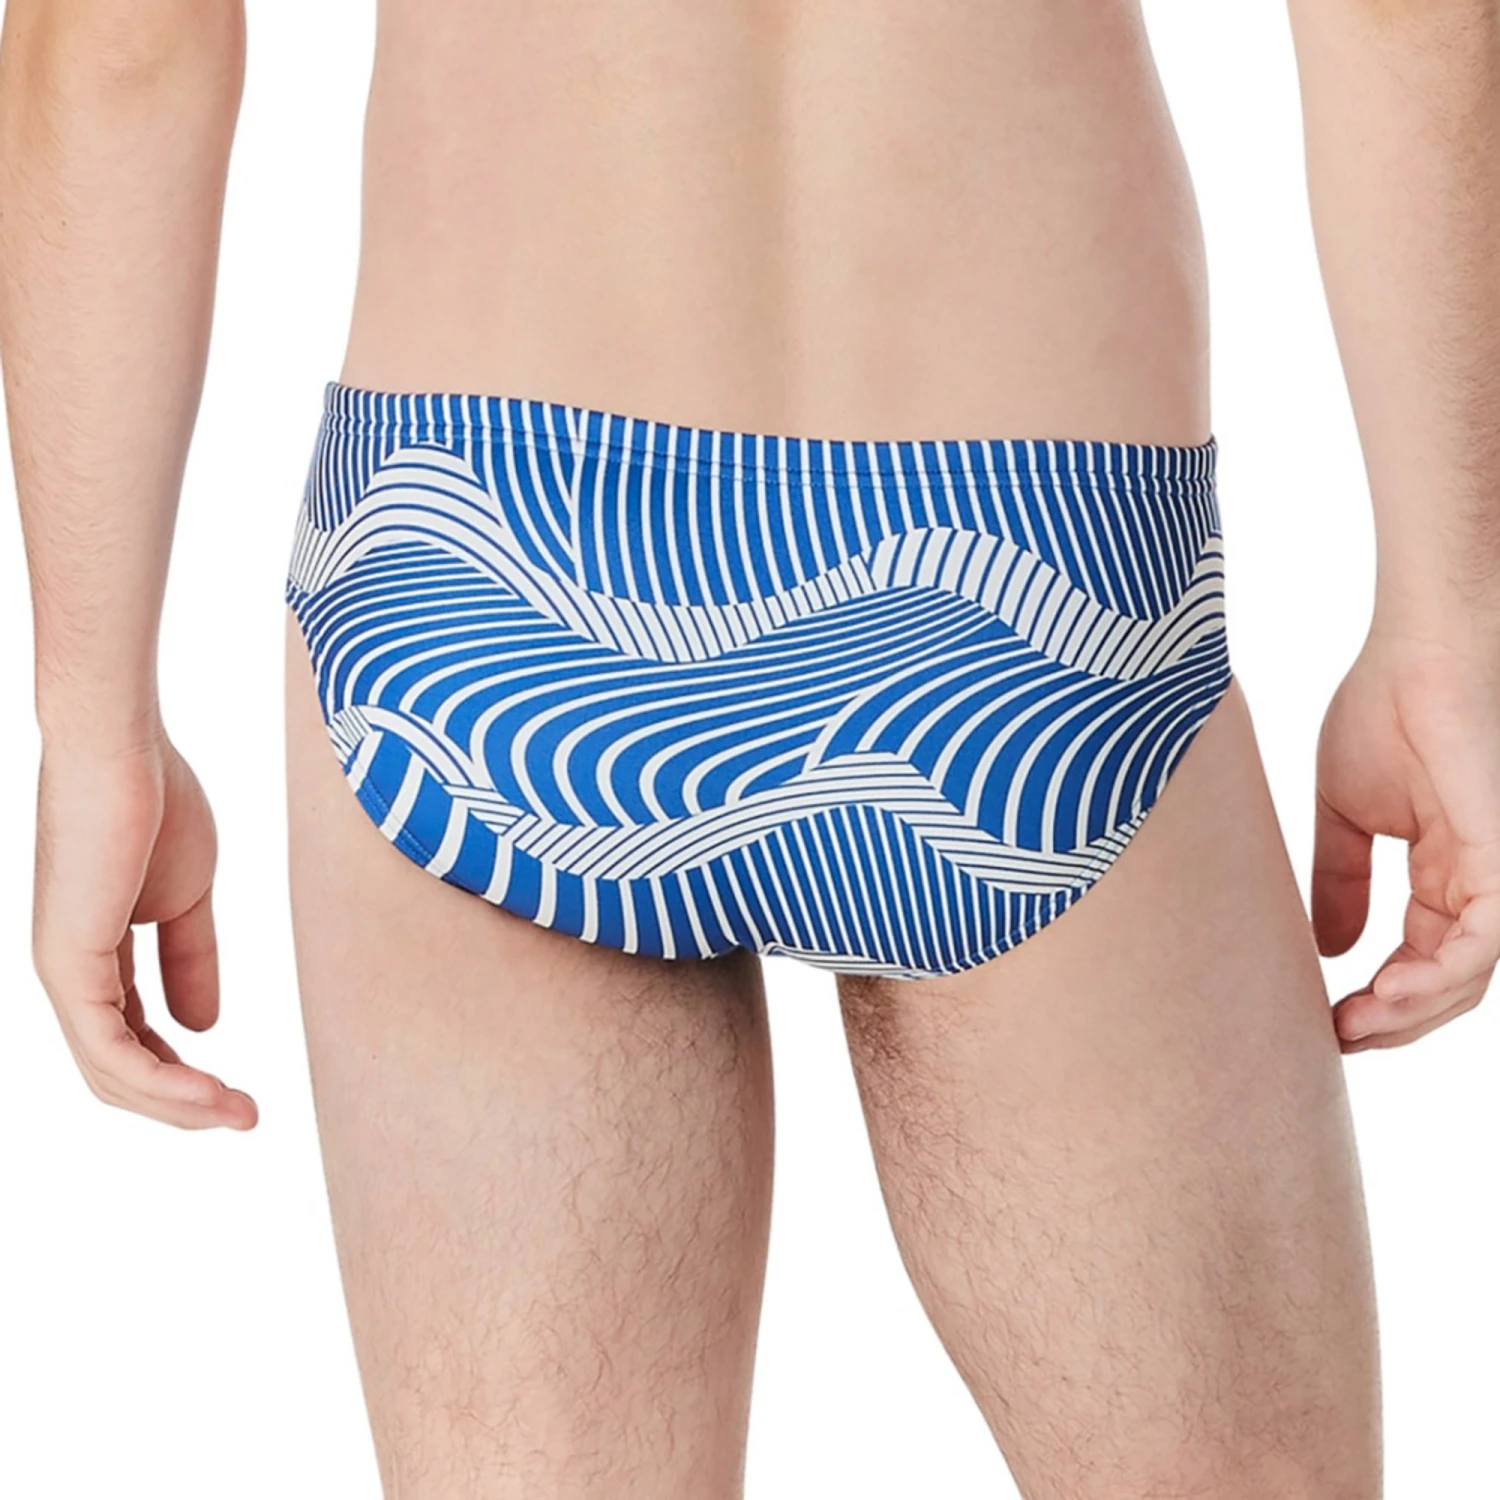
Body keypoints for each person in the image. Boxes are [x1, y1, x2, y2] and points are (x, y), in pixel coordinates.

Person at [1, 0, 1495, 1494]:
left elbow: (113, 42)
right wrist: (1448, 630)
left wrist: (95, 721)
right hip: (1014, 582)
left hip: (485, 568)